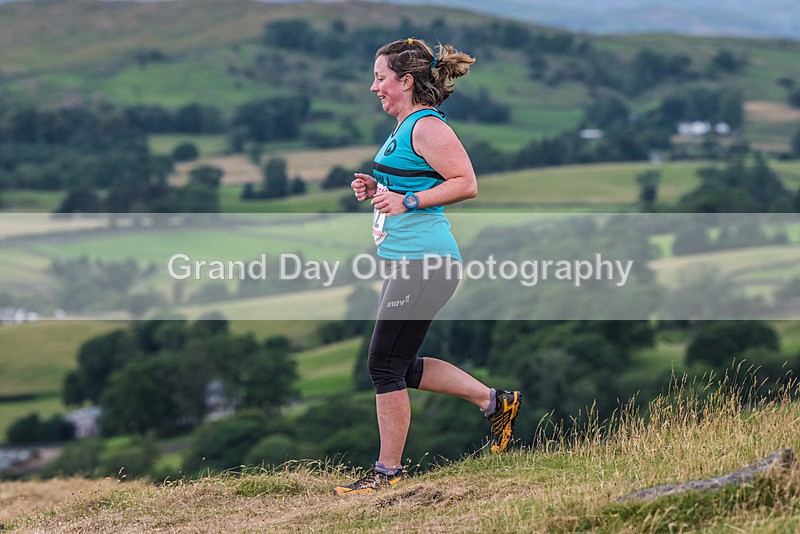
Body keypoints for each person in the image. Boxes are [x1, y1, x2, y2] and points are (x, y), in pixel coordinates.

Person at [334, 38, 521, 496]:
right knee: (400, 364)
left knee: (383, 366)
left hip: (426, 264)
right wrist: (376, 187)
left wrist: (407, 200)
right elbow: (411, 181)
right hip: (410, 265)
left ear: (406, 81)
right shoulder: (404, 126)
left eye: (380, 78)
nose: (373, 86)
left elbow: (466, 183)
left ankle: (387, 473)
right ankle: (493, 401)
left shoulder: (426, 126)